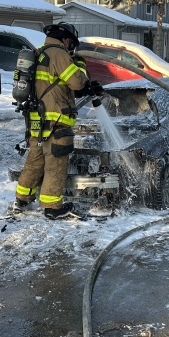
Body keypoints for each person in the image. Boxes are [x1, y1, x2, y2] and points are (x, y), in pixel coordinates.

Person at [12, 22, 102, 220]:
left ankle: (22, 199)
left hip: (37, 120)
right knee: (56, 164)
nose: (72, 48)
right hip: (56, 120)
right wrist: (79, 65)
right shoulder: (59, 54)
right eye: (72, 44)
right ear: (67, 39)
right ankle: (53, 207)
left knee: (34, 161)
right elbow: (77, 82)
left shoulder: (39, 53)